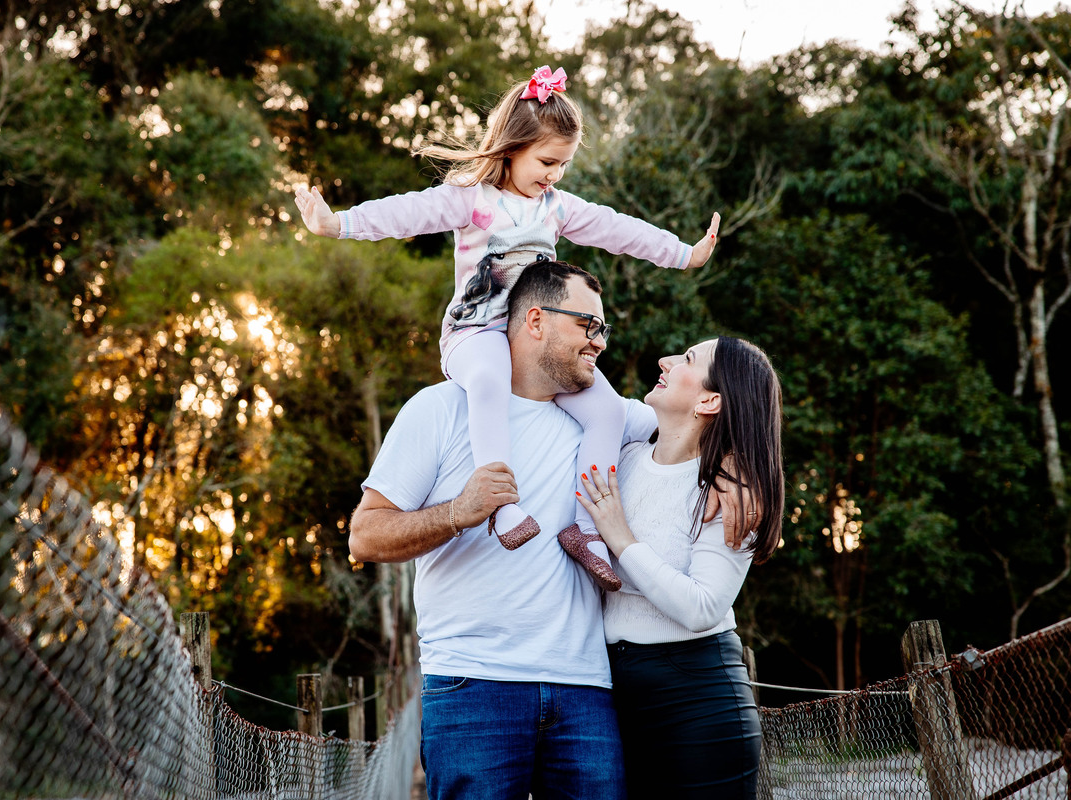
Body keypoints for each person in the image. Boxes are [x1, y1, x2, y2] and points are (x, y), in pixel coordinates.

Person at [349, 260, 758, 800]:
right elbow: (364, 535)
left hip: (588, 690)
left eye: (602, 330)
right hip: (474, 686)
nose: (600, 343)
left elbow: (708, 420)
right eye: (588, 326)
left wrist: (736, 473)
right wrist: (456, 513)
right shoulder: (440, 410)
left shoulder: (612, 422)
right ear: (536, 320)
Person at [298, 64, 720, 568]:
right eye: (546, 161)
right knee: (491, 380)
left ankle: (585, 530)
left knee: (605, 410)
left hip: (535, 342)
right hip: (476, 332)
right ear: (512, 146)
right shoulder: (470, 200)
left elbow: (617, 229)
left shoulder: (555, 208)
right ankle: (502, 505)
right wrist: (338, 223)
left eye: (563, 165)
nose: (554, 175)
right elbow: (406, 212)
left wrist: (681, 253)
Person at [574, 336, 784, 799]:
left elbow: (702, 606)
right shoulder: (622, 455)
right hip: (610, 692)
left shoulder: (732, 489)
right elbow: (577, 385)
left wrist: (620, 538)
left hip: (697, 705)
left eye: (687, 359)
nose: (665, 360)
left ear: (710, 399)